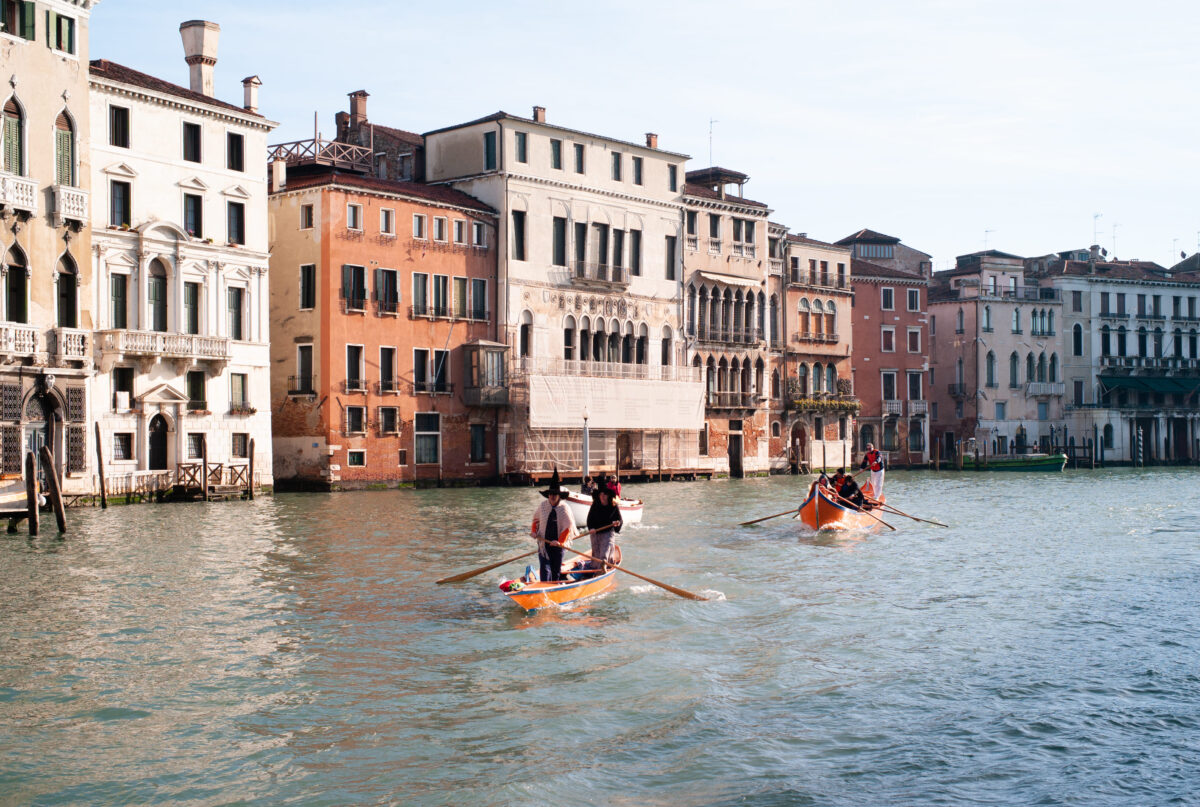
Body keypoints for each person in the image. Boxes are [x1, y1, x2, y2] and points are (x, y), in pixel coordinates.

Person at [530, 469, 577, 582]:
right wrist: (533, 531)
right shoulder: (543, 506)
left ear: (559, 495)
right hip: (544, 544)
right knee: (545, 570)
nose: (552, 496)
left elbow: (568, 527)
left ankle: (554, 588)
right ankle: (544, 590)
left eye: (555, 494)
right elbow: (536, 520)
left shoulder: (564, 508)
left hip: (558, 546)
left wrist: (560, 542)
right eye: (550, 494)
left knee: (555, 572)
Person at [585, 487, 623, 570]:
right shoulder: (595, 505)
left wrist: (617, 523)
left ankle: (604, 567)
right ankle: (595, 568)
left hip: (608, 533)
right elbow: (589, 519)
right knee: (596, 554)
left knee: (605, 553)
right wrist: (591, 528)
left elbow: (620, 520)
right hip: (596, 532)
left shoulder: (613, 506)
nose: (602, 496)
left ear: (608, 496)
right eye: (601, 494)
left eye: (604, 494)